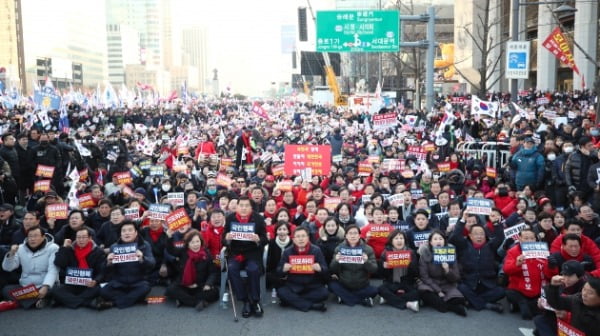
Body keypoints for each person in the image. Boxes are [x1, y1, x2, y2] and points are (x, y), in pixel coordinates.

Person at [450, 212, 505, 313]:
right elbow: (455, 236)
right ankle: (486, 305)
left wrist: (496, 223)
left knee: (501, 291)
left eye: (481, 234)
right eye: (476, 234)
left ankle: (471, 301)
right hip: (469, 282)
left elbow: (500, 237)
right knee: (461, 288)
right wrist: (462, 220)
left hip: (487, 284)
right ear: (470, 235)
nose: (479, 236)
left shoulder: (490, 245)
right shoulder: (464, 244)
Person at [222, 196, 268, 318]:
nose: (243, 208)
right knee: (232, 269)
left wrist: (259, 239)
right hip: (236, 252)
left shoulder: (258, 219)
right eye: (241, 205)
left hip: (253, 252)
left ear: (251, 208)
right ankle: (245, 300)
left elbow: (265, 239)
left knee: (252, 269)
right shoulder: (230, 218)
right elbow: (223, 239)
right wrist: (227, 239)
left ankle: (255, 300)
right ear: (237, 207)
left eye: (246, 206)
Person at [100, 221, 155, 309]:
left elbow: (152, 263)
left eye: (130, 230)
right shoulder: (114, 247)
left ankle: (114, 303)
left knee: (146, 288)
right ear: (120, 234)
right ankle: (134, 299)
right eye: (124, 231)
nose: (127, 233)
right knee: (103, 291)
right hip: (119, 282)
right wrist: (108, 262)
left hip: (138, 282)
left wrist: (142, 258)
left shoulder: (144, 245)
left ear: (136, 233)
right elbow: (103, 270)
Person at [1, 225, 59, 309]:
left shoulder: (53, 248)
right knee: (6, 290)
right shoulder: (20, 248)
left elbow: (53, 270)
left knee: (56, 290)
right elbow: (8, 268)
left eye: (35, 236)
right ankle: (38, 301)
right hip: (26, 287)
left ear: (43, 237)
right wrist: (11, 254)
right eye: (30, 236)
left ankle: (24, 302)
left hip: (44, 284)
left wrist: (45, 286)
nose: (32, 239)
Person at [276, 226, 329, 312]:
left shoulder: (316, 250)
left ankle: (292, 301)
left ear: (308, 238)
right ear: (293, 239)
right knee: (281, 292)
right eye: (298, 236)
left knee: (324, 293)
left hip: (312, 285)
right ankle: (312, 306)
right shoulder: (287, 251)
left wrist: (320, 268)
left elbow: (326, 270)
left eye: (303, 236)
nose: (301, 239)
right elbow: (278, 271)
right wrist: (283, 269)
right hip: (294, 285)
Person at [165, 229, 219, 310]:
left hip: (200, 285)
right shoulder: (183, 252)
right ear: (188, 244)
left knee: (214, 293)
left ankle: (183, 300)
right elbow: (171, 250)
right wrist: (169, 237)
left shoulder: (206, 254)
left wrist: (208, 284)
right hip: (184, 285)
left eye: (197, 241)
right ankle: (197, 302)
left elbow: (213, 272)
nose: (195, 244)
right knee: (170, 290)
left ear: (201, 241)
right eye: (192, 242)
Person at [52, 227, 106, 309]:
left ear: (90, 238)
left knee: (101, 290)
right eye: (78, 237)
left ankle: (68, 300)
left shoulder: (98, 251)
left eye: (84, 237)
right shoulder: (70, 250)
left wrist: (95, 281)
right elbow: (59, 263)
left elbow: (102, 271)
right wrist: (63, 248)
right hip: (73, 283)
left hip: (90, 284)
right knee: (55, 291)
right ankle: (87, 303)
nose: (81, 240)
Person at [418, 230, 467, 316]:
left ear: (444, 241)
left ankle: (444, 303)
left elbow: (456, 277)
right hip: (430, 284)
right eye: (435, 239)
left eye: (441, 239)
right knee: (425, 293)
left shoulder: (450, 254)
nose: (438, 241)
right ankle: (453, 307)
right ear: (430, 242)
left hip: (447, 283)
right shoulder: (425, 254)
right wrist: (438, 290)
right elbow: (424, 276)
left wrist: (447, 270)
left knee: (459, 299)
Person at [502, 228, 547, 320]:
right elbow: (507, 270)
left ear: (535, 239)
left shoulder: (542, 251)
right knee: (527, 315)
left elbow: (549, 274)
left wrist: (552, 266)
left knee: (541, 311)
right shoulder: (513, 251)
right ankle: (520, 304)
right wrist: (517, 264)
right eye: (526, 238)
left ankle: (519, 306)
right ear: (520, 239)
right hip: (519, 290)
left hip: (538, 290)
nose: (529, 241)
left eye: (532, 238)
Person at [328, 225, 378, 307]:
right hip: (344, 284)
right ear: (346, 236)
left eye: (355, 233)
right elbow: (332, 269)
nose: (353, 236)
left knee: (375, 290)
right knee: (331, 285)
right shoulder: (339, 249)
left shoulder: (367, 249)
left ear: (359, 235)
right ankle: (362, 300)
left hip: (362, 285)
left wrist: (366, 262)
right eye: (350, 233)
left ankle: (344, 297)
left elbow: (374, 269)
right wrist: (336, 261)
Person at [533, 260, 586, 336]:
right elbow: (550, 302)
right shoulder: (559, 284)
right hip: (555, 319)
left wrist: (567, 316)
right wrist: (542, 304)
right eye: (564, 275)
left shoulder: (585, 290)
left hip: (574, 326)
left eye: (570, 276)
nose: (566, 279)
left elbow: (587, 314)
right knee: (540, 320)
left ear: (579, 276)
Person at [378, 230, 420, 311]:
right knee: (380, 289)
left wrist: (410, 266)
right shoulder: (386, 253)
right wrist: (384, 268)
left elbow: (416, 273)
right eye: (396, 238)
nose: (399, 240)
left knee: (418, 293)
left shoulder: (411, 253)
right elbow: (382, 275)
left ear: (405, 240)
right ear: (391, 241)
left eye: (401, 238)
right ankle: (407, 304)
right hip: (392, 282)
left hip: (407, 283)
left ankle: (389, 299)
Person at [266, 221, 292, 290]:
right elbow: (269, 262)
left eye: (284, 229)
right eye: (279, 229)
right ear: (276, 231)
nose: (282, 232)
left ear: (288, 231)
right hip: (275, 271)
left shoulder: (292, 243)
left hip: (289, 271)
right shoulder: (272, 242)